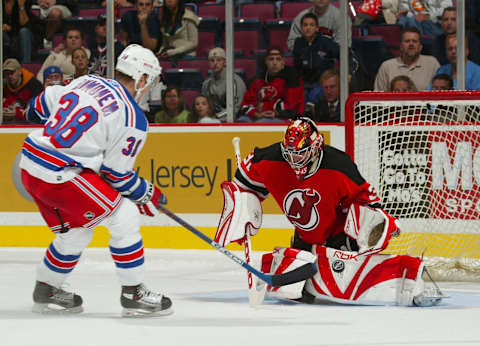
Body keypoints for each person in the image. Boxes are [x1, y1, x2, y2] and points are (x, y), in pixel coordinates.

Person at [214, 117, 443, 307]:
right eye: (290, 153)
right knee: (295, 294)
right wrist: (242, 205)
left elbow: (367, 202)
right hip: (305, 237)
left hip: (339, 235)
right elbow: (244, 179)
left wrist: (382, 223)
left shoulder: (339, 165)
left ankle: (404, 273)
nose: (294, 160)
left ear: (314, 148)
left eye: (300, 154)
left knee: (340, 290)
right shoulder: (270, 159)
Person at [19, 44, 173, 317]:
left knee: (76, 232)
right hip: (60, 173)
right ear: (140, 79)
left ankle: (47, 288)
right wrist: (147, 193)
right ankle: (133, 292)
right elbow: (117, 176)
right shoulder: (132, 117)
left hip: (30, 165)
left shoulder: (87, 80)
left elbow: (37, 107)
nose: (148, 88)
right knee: (124, 215)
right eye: (148, 82)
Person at [238, 47, 304, 123]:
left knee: (262, 123)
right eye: (271, 59)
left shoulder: (293, 78)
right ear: (266, 61)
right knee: (242, 121)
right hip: (261, 115)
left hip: (285, 118)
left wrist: (272, 112)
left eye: (278, 59)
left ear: (283, 61)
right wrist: (256, 113)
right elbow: (246, 104)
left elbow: (292, 106)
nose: (274, 63)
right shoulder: (257, 79)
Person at [374, 27, 439, 91]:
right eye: (407, 41)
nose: (411, 44)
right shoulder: (387, 66)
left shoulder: (432, 63)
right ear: (401, 46)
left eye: (415, 41)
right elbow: (378, 96)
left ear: (420, 47)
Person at [293, 13, 339, 94]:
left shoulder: (326, 42)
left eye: (311, 25)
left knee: (314, 96)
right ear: (301, 28)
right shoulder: (298, 43)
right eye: (305, 25)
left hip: (323, 83)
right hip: (304, 84)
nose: (308, 28)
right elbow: (296, 67)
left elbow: (343, 55)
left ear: (317, 28)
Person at [201, 47, 246, 122]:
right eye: (212, 60)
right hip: (214, 119)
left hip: (235, 120)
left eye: (219, 60)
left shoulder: (234, 81)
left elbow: (235, 108)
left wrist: (216, 117)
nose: (215, 63)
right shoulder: (206, 83)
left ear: (225, 62)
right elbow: (206, 106)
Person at [287, 0, 351, 51]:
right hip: (305, 58)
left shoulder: (341, 18)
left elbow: (344, 46)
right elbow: (291, 42)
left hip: (331, 60)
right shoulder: (301, 16)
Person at [3, 58, 42, 123]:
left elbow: (37, 112)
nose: (9, 76)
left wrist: (18, 113)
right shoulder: (4, 87)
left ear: (20, 71)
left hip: (31, 125)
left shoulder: (35, 85)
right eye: (7, 74)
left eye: (12, 73)